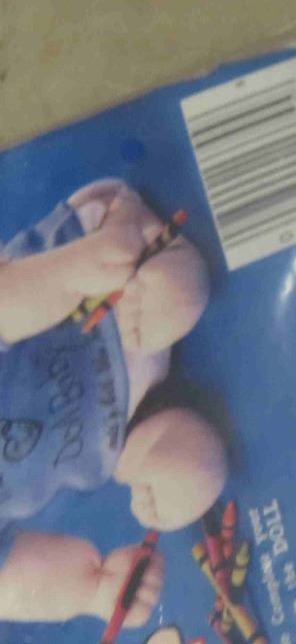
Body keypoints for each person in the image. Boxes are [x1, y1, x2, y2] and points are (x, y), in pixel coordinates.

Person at [0, 179, 227, 629]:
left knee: (168, 289)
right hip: (116, 424)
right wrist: (93, 590)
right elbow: (10, 586)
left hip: (94, 279)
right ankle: (173, 442)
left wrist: (68, 273)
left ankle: (170, 266)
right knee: (188, 475)